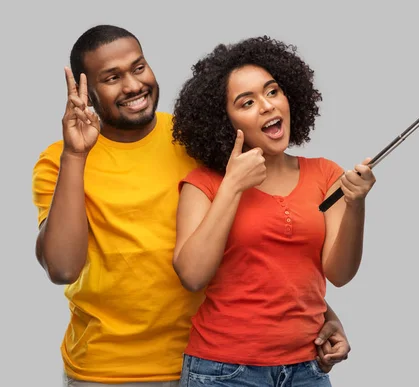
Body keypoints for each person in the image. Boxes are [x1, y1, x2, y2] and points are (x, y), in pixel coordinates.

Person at [31, 25, 351, 387]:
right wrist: (75, 154)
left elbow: (257, 246)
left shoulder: (195, 140)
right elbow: (61, 268)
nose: (133, 85)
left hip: (211, 362)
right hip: (108, 371)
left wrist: (322, 315)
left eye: (139, 67)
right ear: (87, 93)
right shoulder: (61, 160)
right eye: (112, 78)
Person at [171, 36, 377, 386]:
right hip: (224, 371)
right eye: (246, 102)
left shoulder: (325, 174)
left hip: (307, 368)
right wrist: (233, 185)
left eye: (272, 91)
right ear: (225, 122)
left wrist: (356, 205)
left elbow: (339, 274)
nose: (266, 106)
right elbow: (191, 275)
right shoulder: (203, 184)